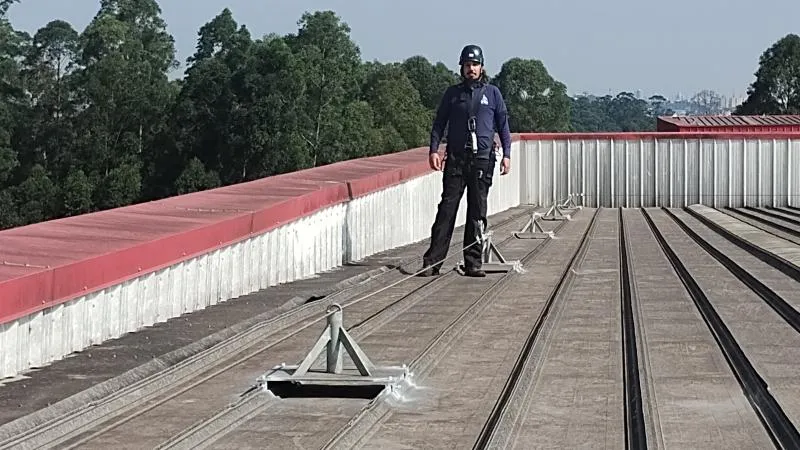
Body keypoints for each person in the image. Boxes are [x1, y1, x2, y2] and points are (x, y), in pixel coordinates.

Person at [419, 44, 512, 278]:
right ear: (461, 67)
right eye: (467, 65)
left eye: (475, 64)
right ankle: (432, 262)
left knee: (477, 212)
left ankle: (473, 262)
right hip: (457, 160)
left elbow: (503, 126)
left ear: (482, 67)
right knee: (447, 210)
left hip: (482, 160)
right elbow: (439, 124)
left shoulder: (492, 94)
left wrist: (507, 155)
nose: (471, 69)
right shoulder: (453, 94)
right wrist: (433, 150)